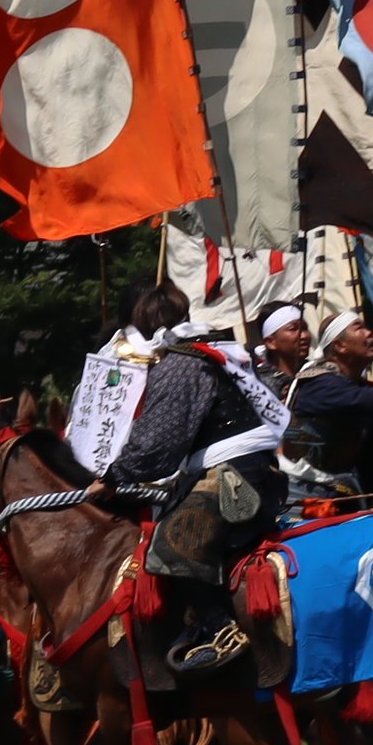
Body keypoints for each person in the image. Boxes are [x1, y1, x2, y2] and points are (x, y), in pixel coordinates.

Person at [98, 283, 294, 676]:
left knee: (173, 541)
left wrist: (114, 476)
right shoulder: (216, 352)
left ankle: (219, 628)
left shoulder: (180, 364)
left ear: (143, 325)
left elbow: (158, 442)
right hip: (252, 467)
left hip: (233, 474)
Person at [284, 315, 373, 508]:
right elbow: (366, 400)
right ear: (340, 346)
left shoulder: (357, 390)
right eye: (359, 328)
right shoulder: (317, 384)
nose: (370, 333)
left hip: (344, 494)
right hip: (303, 497)